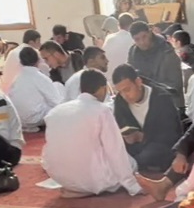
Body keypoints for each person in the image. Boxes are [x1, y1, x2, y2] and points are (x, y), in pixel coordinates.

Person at [41, 69, 142, 198]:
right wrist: (133, 186)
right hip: (92, 180)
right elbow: (115, 151)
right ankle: (87, 186)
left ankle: (74, 186)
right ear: (102, 89)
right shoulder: (102, 111)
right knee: (131, 163)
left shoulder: (55, 112)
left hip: (59, 178)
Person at [112, 64, 184, 173]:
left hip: (160, 146)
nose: (124, 96)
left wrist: (143, 137)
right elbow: (120, 126)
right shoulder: (120, 101)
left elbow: (170, 134)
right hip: (135, 147)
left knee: (151, 154)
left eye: (127, 90)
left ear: (138, 82)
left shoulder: (161, 98)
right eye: (120, 92)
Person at [127, 21, 185, 106]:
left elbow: (175, 85)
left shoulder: (167, 51)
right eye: (137, 39)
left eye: (144, 37)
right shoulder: (133, 52)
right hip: (143, 105)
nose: (142, 42)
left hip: (169, 104)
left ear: (150, 32)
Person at [6, 46, 64, 130]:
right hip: (35, 119)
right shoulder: (39, 77)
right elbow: (56, 102)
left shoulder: (16, 79)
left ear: (21, 62)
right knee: (58, 86)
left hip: (20, 120)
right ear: (37, 61)